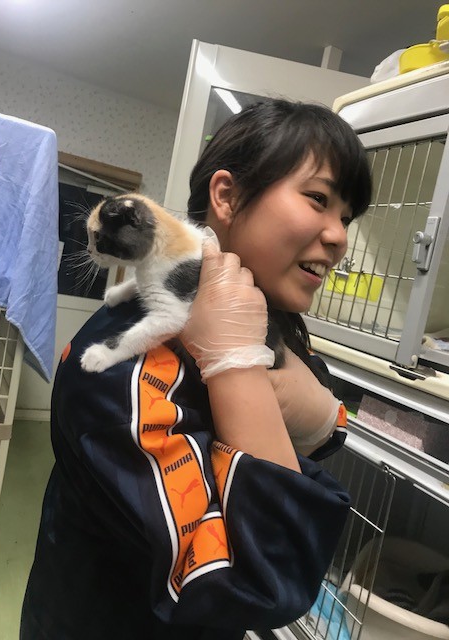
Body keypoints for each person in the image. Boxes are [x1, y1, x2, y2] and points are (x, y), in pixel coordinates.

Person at [20, 99, 372, 640]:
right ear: (226, 196)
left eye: (345, 217)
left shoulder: (262, 313)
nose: (339, 236)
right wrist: (238, 371)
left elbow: (318, 430)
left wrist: (326, 416)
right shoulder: (127, 374)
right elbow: (258, 579)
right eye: (319, 199)